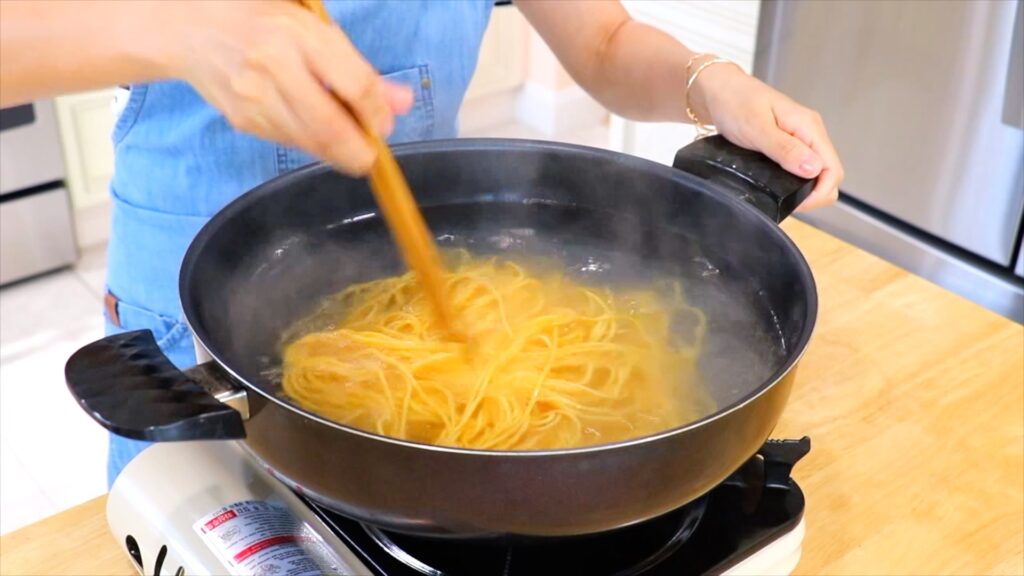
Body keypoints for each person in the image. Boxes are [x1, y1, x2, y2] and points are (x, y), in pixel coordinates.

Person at [1, 0, 844, 484]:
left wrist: (713, 84)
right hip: (198, 318)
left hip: (411, 262)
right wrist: (180, 29)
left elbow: (604, 41)